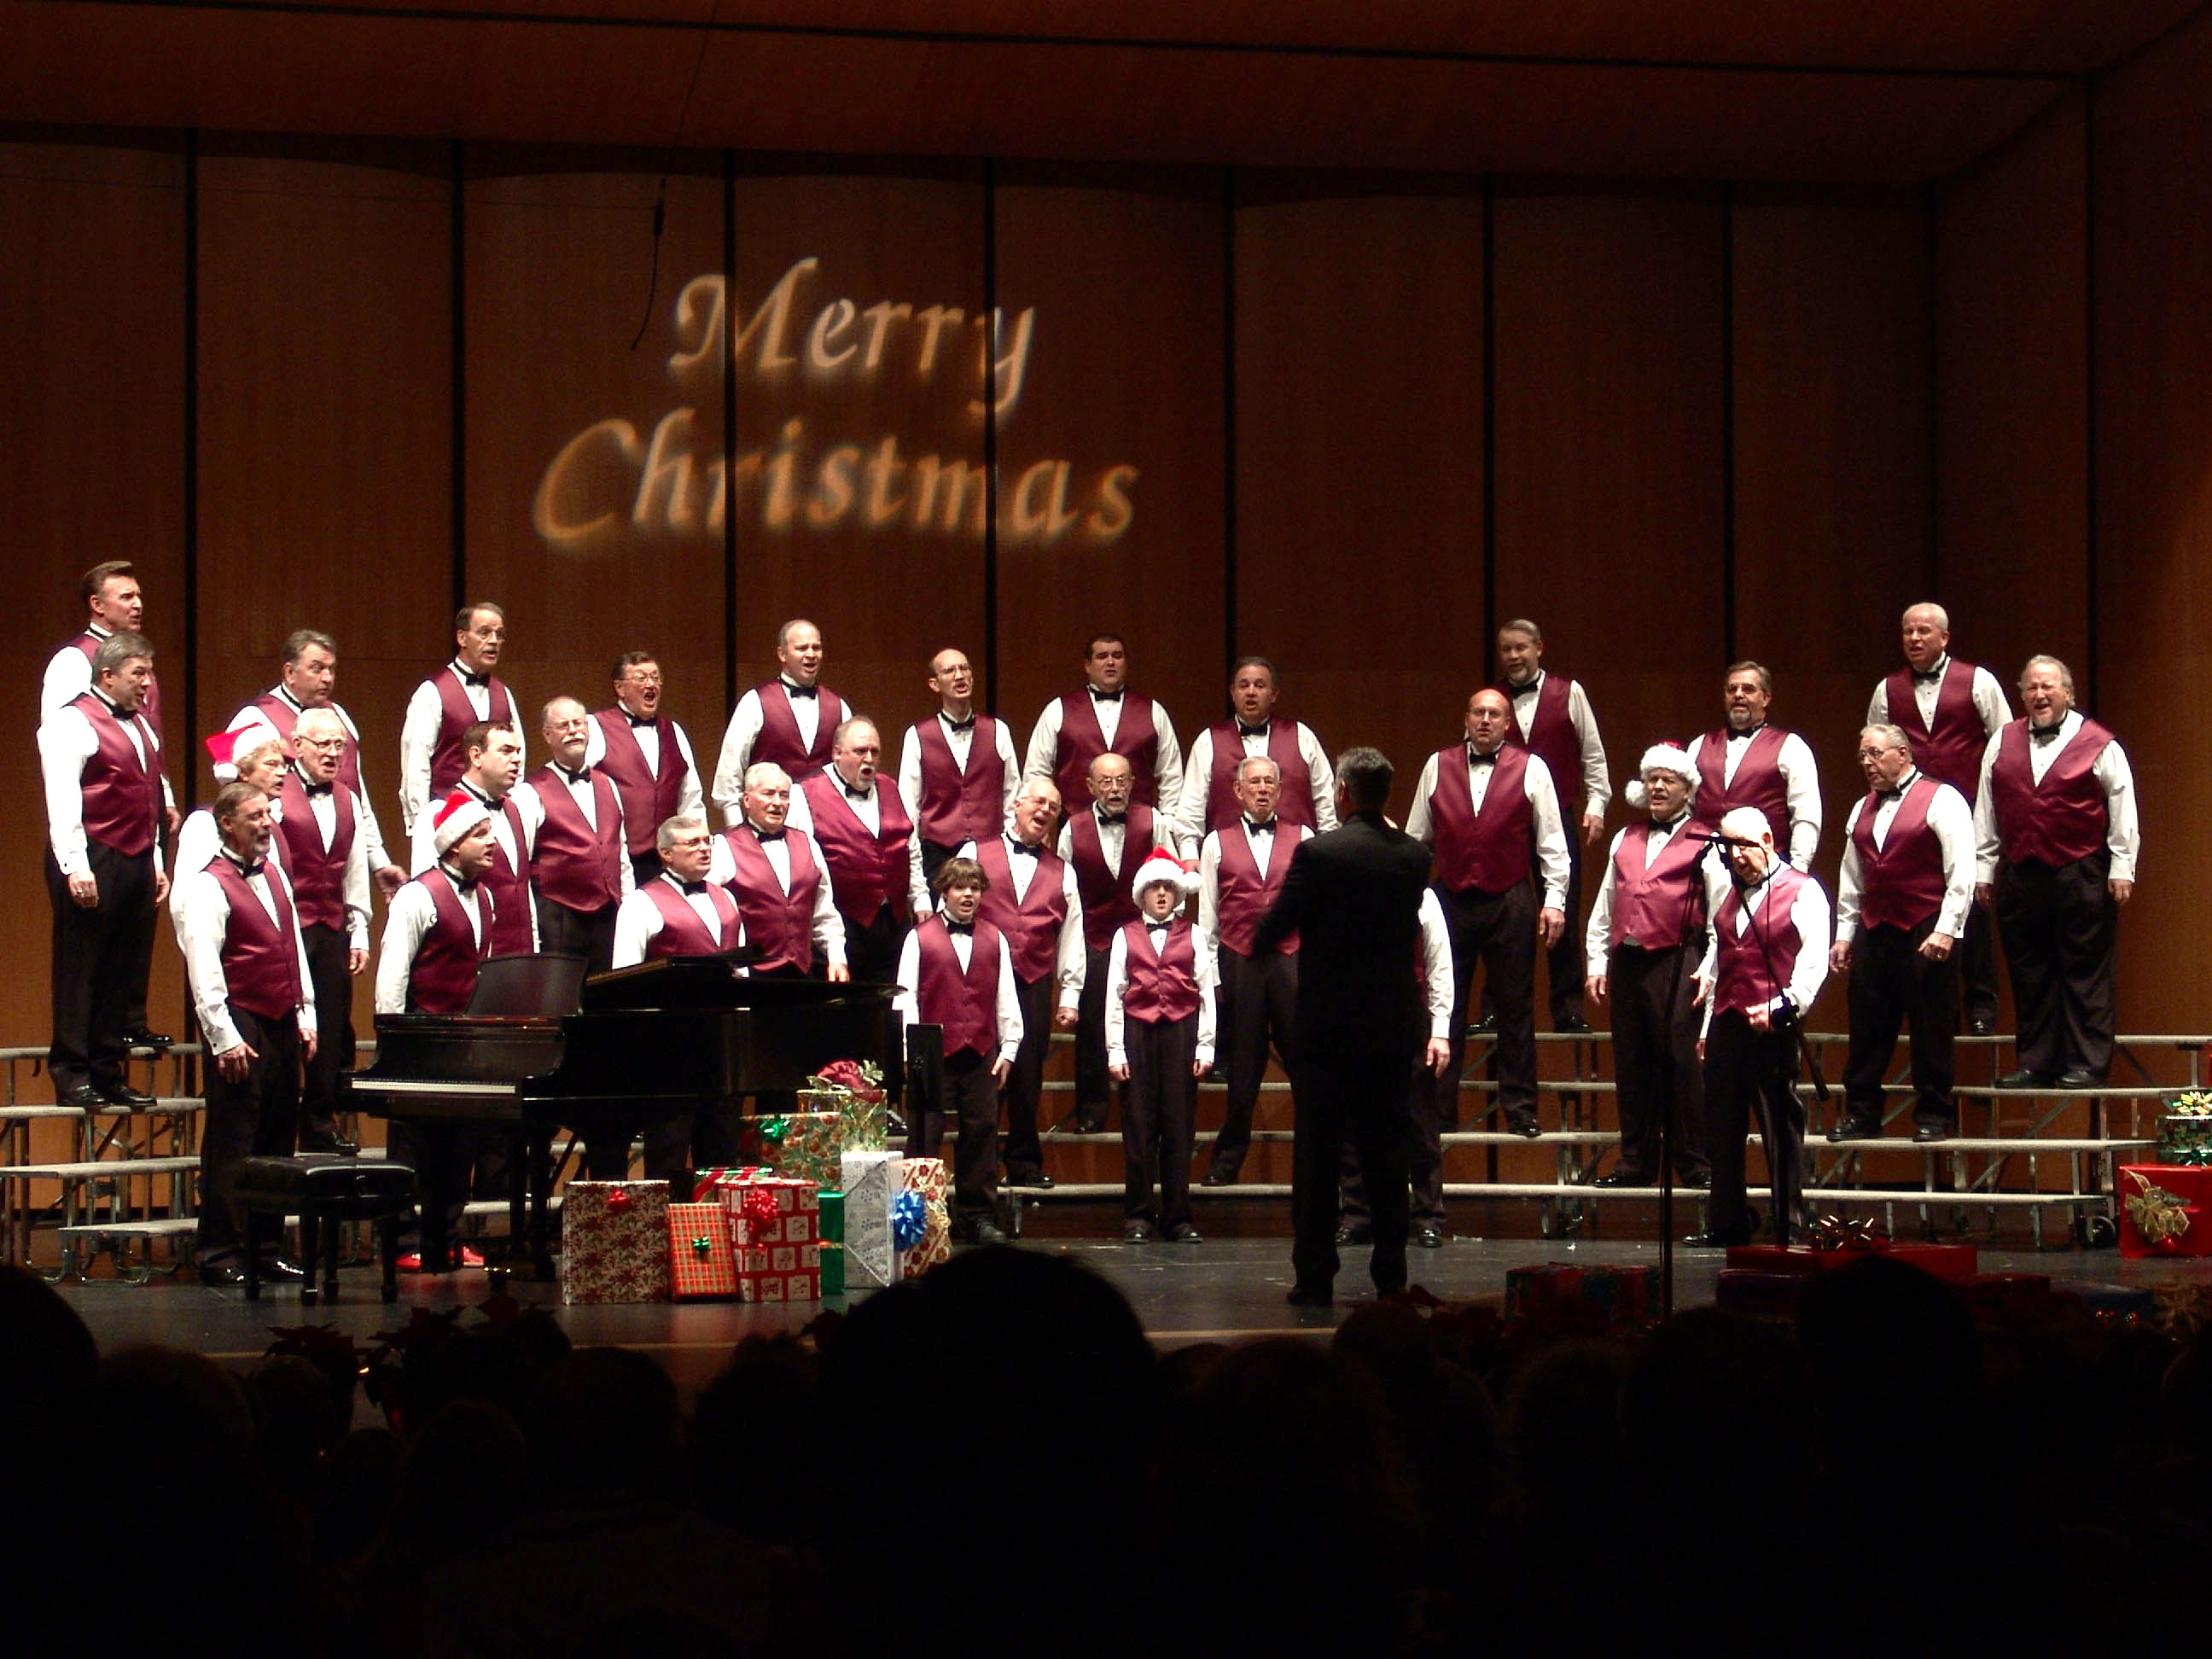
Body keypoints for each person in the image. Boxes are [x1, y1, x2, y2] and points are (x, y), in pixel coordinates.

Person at [1254, 748, 1441, 1307]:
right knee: (1387, 1155)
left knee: (1318, 1157)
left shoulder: (1319, 853)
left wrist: (1262, 941)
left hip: (1328, 1030)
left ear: (1342, 792)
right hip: (1389, 1029)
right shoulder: (1414, 857)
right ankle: (1391, 1277)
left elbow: (1277, 926)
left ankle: (1315, 1278)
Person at [1405, 689, 1569, 1138]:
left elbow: (1552, 843)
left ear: (1507, 723)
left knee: (1516, 1007)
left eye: (1494, 714)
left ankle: (1520, 1108)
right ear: (1466, 718)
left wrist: (1555, 899)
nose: (1485, 720)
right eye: (1478, 712)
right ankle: (1438, 1109)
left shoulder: (1533, 767)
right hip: (1450, 897)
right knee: (1445, 1003)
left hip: (1510, 897)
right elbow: (1417, 837)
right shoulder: (1436, 765)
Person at [1973, 655, 2139, 1089]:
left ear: (2068, 692)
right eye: (2031, 687)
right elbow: (1987, 809)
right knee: (2030, 972)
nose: (2039, 695)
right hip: (2021, 871)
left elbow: (2122, 806)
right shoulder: (2002, 740)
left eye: (2048, 687)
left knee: (2086, 973)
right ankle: (2036, 1062)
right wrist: (1983, 870)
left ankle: (2087, 1063)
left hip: (2081, 869)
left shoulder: (2100, 742)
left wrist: (2122, 866)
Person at [173, 782, 316, 1287]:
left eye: (267, 815)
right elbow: (205, 966)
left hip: (280, 1017)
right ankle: (220, 1250)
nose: (265, 824)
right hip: (241, 1018)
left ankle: (265, 1249)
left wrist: (306, 1013)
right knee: (234, 1140)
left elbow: (292, 948)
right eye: (255, 816)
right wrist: (223, 1036)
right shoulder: (208, 885)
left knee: (277, 1136)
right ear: (227, 823)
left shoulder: (274, 874)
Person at [1584, 744, 1728, 1188]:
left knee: (1680, 1063)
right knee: (1631, 1062)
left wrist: (1710, 969)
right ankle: (1636, 1162)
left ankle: (1694, 1162)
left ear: (1688, 789)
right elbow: (1606, 904)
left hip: (1677, 959)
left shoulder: (1707, 840)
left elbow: (1721, 914)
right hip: (1628, 961)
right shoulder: (1624, 838)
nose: (1659, 787)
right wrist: (1596, 961)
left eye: (1669, 780)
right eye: (1653, 779)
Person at [1688, 807, 1831, 1249]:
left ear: (1768, 840)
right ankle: (1727, 1222)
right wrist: (1707, 1028)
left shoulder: (1803, 891)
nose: (1735, 856)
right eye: (1728, 847)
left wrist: (1782, 1008)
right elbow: (1721, 964)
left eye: (1743, 845)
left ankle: (1789, 1222)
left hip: (1773, 1026)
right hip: (1728, 1024)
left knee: (1779, 1127)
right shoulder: (1727, 894)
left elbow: (1812, 965)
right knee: (1722, 1126)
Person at [1866, 603, 2012, 1033]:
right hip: (1912, 814)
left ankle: (1981, 1001)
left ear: (1944, 637)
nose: (1914, 639)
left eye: (1923, 631)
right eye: (1907, 631)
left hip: (1969, 808)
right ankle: (1930, 1006)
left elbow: (2004, 747)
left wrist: (1995, 811)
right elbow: (1874, 747)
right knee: (1920, 905)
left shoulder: (1978, 681)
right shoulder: (1887, 690)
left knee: (1973, 902)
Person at [1829, 725, 1976, 1144]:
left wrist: (1947, 930)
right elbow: (1852, 877)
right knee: (1867, 1026)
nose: (1867, 763)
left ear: (1904, 753)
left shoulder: (1943, 799)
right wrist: (1844, 934)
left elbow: (1962, 872)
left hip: (1926, 925)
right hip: (1876, 928)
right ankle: (1862, 1114)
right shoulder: (1861, 808)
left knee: (1931, 1026)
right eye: (1862, 756)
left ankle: (1933, 1114)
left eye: (1875, 754)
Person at [40, 631, 167, 1109]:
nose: (147, 683)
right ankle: (72, 1072)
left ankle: (108, 1070)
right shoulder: (72, 720)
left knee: (121, 968)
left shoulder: (142, 726)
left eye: (149, 673)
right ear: (107, 675)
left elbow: (148, 798)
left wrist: (156, 861)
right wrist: (76, 864)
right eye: (139, 674)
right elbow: (63, 797)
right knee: (81, 968)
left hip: (135, 856)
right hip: (93, 855)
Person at [375, 793, 501, 1270]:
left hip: (463, 1039)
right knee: (411, 1146)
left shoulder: (485, 896)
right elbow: (393, 971)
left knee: (459, 1144)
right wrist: (393, 1037)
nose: (492, 843)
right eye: (481, 835)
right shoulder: (417, 895)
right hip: (420, 1033)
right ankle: (404, 1240)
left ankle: (445, 1235)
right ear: (453, 845)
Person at [957, 779, 1082, 1190]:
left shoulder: (1063, 872)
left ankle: (1024, 1163)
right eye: (1039, 802)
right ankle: (980, 1168)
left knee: (1028, 1078)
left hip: (1033, 983)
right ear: (1016, 804)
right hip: (981, 983)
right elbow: (951, 913)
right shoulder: (974, 852)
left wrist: (1070, 996)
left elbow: (1072, 937)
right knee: (984, 1077)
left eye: (1053, 807)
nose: (1045, 811)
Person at [1195, 755, 1311, 1186]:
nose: (1262, 789)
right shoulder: (1215, 842)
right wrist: (1213, 979)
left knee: (1305, 1065)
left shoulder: (1305, 838)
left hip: (1290, 960)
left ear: (1279, 791)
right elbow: (1208, 917)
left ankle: (1321, 1165)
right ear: (1238, 791)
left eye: (1269, 782)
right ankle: (1228, 1162)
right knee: (1242, 1072)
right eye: (1254, 782)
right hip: (1239, 961)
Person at [612, 816, 747, 1178]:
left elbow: (741, 973)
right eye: (692, 843)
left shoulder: (727, 898)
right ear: (666, 854)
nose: (704, 849)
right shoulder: (640, 903)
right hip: (669, 1051)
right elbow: (623, 983)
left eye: (707, 841)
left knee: (721, 1154)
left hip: (721, 1049)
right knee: (668, 1153)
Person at [895, 858, 1021, 1244]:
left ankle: (977, 1216)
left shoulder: (995, 938)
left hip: (981, 1048)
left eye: (975, 888)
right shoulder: (919, 937)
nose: (968, 895)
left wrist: (1009, 1047)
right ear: (944, 891)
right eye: (960, 888)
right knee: (924, 1134)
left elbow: (1005, 995)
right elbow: (905, 997)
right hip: (931, 1050)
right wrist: (909, 1050)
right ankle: (917, 1218)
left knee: (981, 1133)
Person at [1494, 619, 1610, 1032]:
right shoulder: (1492, 701)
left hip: (1557, 816)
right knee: (1501, 916)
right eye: (1506, 649)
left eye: (1520, 648)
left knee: (1563, 910)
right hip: (1504, 822)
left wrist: (1597, 805)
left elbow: (1592, 754)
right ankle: (1496, 1008)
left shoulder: (1569, 692)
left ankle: (1568, 1009)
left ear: (1539, 648)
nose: (1513, 656)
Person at [230, 628, 404, 895]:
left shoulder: (340, 717)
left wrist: (378, 861)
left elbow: (359, 795)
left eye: (331, 669)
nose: (327, 677)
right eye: (317, 668)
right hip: (280, 870)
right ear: (290, 672)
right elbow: (234, 800)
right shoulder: (253, 719)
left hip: (336, 874)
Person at [272, 708, 372, 1156]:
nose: (333, 754)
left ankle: (318, 1121)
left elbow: (354, 868)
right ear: (297, 746)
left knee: (330, 1026)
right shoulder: (277, 792)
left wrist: (359, 928)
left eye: (339, 746)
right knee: (286, 1025)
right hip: (288, 926)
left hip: (330, 925)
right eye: (323, 744)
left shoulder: (348, 798)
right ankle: (277, 1121)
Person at [1107, 850, 1215, 1243]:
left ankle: (1178, 1217)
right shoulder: (1125, 935)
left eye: (1169, 887)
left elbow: (1205, 993)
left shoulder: (1194, 934)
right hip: (1138, 1033)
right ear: (1143, 894)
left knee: (1178, 1128)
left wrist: (1205, 1047)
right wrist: (1115, 1050)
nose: (1163, 894)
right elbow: (1115, 995)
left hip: (1180, 1035)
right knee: (1139, 1129)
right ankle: (1138, 1215)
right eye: (1155, 887)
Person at [1057, 752, 1156, 1132]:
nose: (1114, 788)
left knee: (1144, 1025)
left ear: (1131, 783)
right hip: (1093, 938)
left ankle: (1144, 1114)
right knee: (1093, 1029)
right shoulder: (1072, 829)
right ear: (1091, 786)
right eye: (1106, 781)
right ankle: (1091, 1111)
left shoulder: (1154, 820)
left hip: (1142, 938)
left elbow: (1168, 877)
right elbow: (1064, 888)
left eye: (1120, 781)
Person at [1170, 655, 1335, 858]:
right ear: (1232, 693)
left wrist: (1329, 851)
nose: (1250, 692)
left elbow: (1326, 800)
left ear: (1274, 694)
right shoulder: (1208, 741)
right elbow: (1191, 806)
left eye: (1259, 685)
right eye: (1243, 685)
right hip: (1228, 863)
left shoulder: (1303, 736)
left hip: (1297, 859)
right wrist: (1189, 855)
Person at [789, 717, 911, 985]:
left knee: (891, 999)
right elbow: (802, 863)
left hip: (893, 921)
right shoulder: (804, 793)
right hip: (842, 922)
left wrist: (921, 899)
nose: (869, 759)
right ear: (837, 753)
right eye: (860, 751)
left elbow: (909, 846)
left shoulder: (890, 787)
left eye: (874, 752)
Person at [513, 696, 632, 971]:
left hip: (608, 914)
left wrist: (627, 908)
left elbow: (621, 853)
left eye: (578, 723)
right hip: (558, 917)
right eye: (563, 725)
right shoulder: (530, 792)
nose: (573, 731)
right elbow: (520, 865)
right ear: (547, 735)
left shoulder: (608, 784)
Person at [899, 646, 1020, 905]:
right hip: (937, 856)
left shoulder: (999, 731)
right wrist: (918, 890)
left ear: (973, 678)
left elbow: (1013, 799)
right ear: (934, 684)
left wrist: (1010, 856)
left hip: (990, 853)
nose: (959, 675)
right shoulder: (917, 736)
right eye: (949, 670)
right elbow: (908, 811)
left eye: (964, 668)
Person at [407, 719, 537, 956]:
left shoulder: (517, 811)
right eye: (506, 751)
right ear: (476, 756)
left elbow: (523, 887)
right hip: (470, 961)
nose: (517, 759)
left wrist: (534, 946)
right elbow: (427, 897)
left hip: (522, 958)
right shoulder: (438, 813)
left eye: (518, 751)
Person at [708, 762, 848, 981]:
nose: (777, 803)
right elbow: (713, 916)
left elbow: (823, 911)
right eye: (768, 794)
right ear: (746, 800)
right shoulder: (723, 846)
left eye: (784, 795)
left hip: (803, 973)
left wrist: (837, 957)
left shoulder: (808, 843)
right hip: (749, 977)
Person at [1023, 632, 1185, 812]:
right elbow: (1036, 774)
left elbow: (1172, 775)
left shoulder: (1154, 711)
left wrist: (1168, 820)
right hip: (1073, 824)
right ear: (1087, 665)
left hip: (1140, 825)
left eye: (1117, 656)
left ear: (1125, 663)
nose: (1110, 662)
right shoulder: (1057, 710)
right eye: (1102, 656)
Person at [399, 602, 521, 836]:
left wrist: (513, 813)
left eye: (499, 634)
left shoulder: (504, 694)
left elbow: (518, 758)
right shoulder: (431, 692)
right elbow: (416, 764)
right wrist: (421, 826)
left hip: (497, 819)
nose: (494, 641)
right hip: (447, 821)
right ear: (462, 638)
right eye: (485, 633)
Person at [587, 651, 704, 888]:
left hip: (667, 863)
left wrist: (695, 847)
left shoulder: (674, 731)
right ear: (620, 688)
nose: (650, 684)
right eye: (641, 678)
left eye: (655, 677)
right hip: (616, 860)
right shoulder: (596, 726)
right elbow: (582, 790)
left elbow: (691, 798)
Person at [710, 619, 844, 821]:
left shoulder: (839, 706)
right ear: (782, 654)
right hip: (767, 826)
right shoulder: (755, 702)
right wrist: (738, 831)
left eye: (816, 648)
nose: (811, 654)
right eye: (802, 648)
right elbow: (729, 775)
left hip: (825, 826)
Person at [1690, 662, 1820, 870]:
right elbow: (1685, 810)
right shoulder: (1698, 746)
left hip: (1765, 870)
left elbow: (1806, 815)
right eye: (1732, 689)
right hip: (1705, 868)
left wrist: (1798, 869)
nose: (1738, 695)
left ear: (1766, 698)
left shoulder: (1792, 746)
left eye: (1748, 689)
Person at [172, 724, 291, 924]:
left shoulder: (272, 825)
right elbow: (184, 903)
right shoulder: (204, 823)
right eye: (271, 764)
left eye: (283, 765)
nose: (281, 772)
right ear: (242, 771)